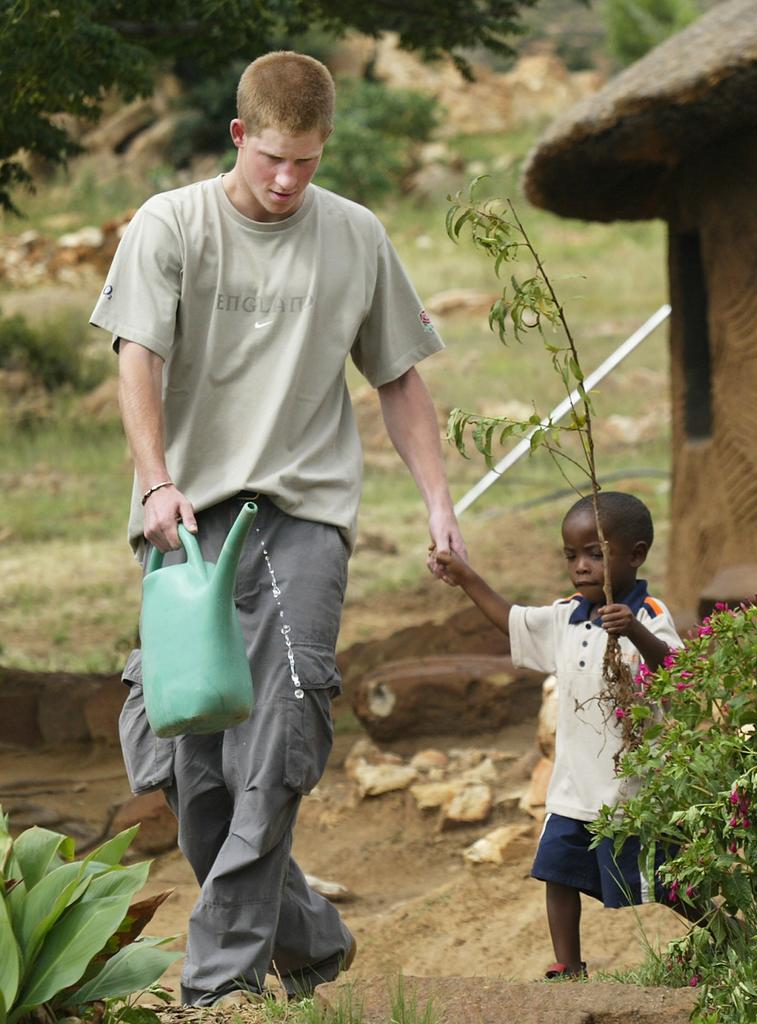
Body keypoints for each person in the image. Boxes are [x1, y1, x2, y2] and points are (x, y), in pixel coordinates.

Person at [90, 51, 466, 1005]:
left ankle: (216, 988)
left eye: (306, 160)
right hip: (185, 520)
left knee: (282, 731)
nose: (289, 180)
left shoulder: (356, 235)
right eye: (272, 160)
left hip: (302, 515)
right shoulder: (171, 225)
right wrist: (154, 485)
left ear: (323, 146)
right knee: (194, 763)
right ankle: (312, 939)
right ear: (238, 138)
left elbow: (399, 376)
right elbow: (137, 359)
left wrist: (436, 502)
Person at [435, 491, 682, 979]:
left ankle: (727, 931)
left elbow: (677, 672)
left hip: (630, 793)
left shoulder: (649, 613)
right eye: (572, 556)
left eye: (595, 554)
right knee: (556, 871)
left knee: (669, 883)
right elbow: (510, 620)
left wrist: (633, 632)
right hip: (572, 788)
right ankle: (568, 966)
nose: (581, 567)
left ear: (634, 555)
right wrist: (465, 578)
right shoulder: (567, 616)